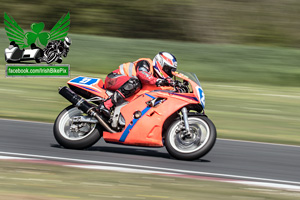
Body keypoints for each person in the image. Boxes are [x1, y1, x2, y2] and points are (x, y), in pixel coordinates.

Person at [98, 52, 177, 117]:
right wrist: (159, 81)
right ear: (159, 63)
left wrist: (177, 87)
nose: (168, 73)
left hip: (123, 85)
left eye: (171, 71)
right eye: (167, 69)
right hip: (113, 79)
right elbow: (142, 74)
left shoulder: (156, 76)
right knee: (135, 83)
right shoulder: (145, 62)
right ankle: (106, 105)